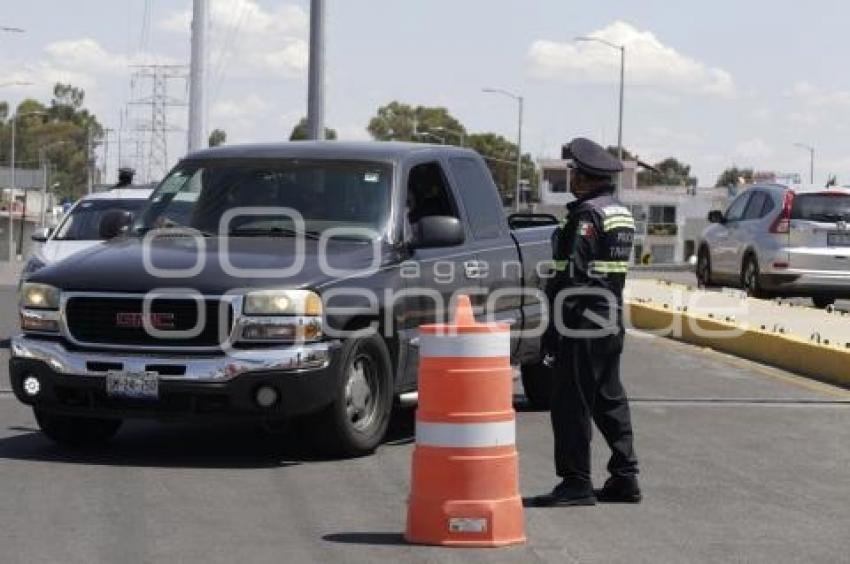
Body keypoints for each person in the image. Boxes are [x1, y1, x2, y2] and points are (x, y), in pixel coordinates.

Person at [531, 138, 641, 507]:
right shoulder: (620, 212)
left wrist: (552, 329)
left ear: (586, 175)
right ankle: (625, 478)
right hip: (609, 318)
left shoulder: (585, 216)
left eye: (573, 171)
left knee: (570, 402)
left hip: (580, 321)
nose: (571, 177)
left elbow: (572, 275)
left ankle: (576, 482)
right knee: (609, 399)